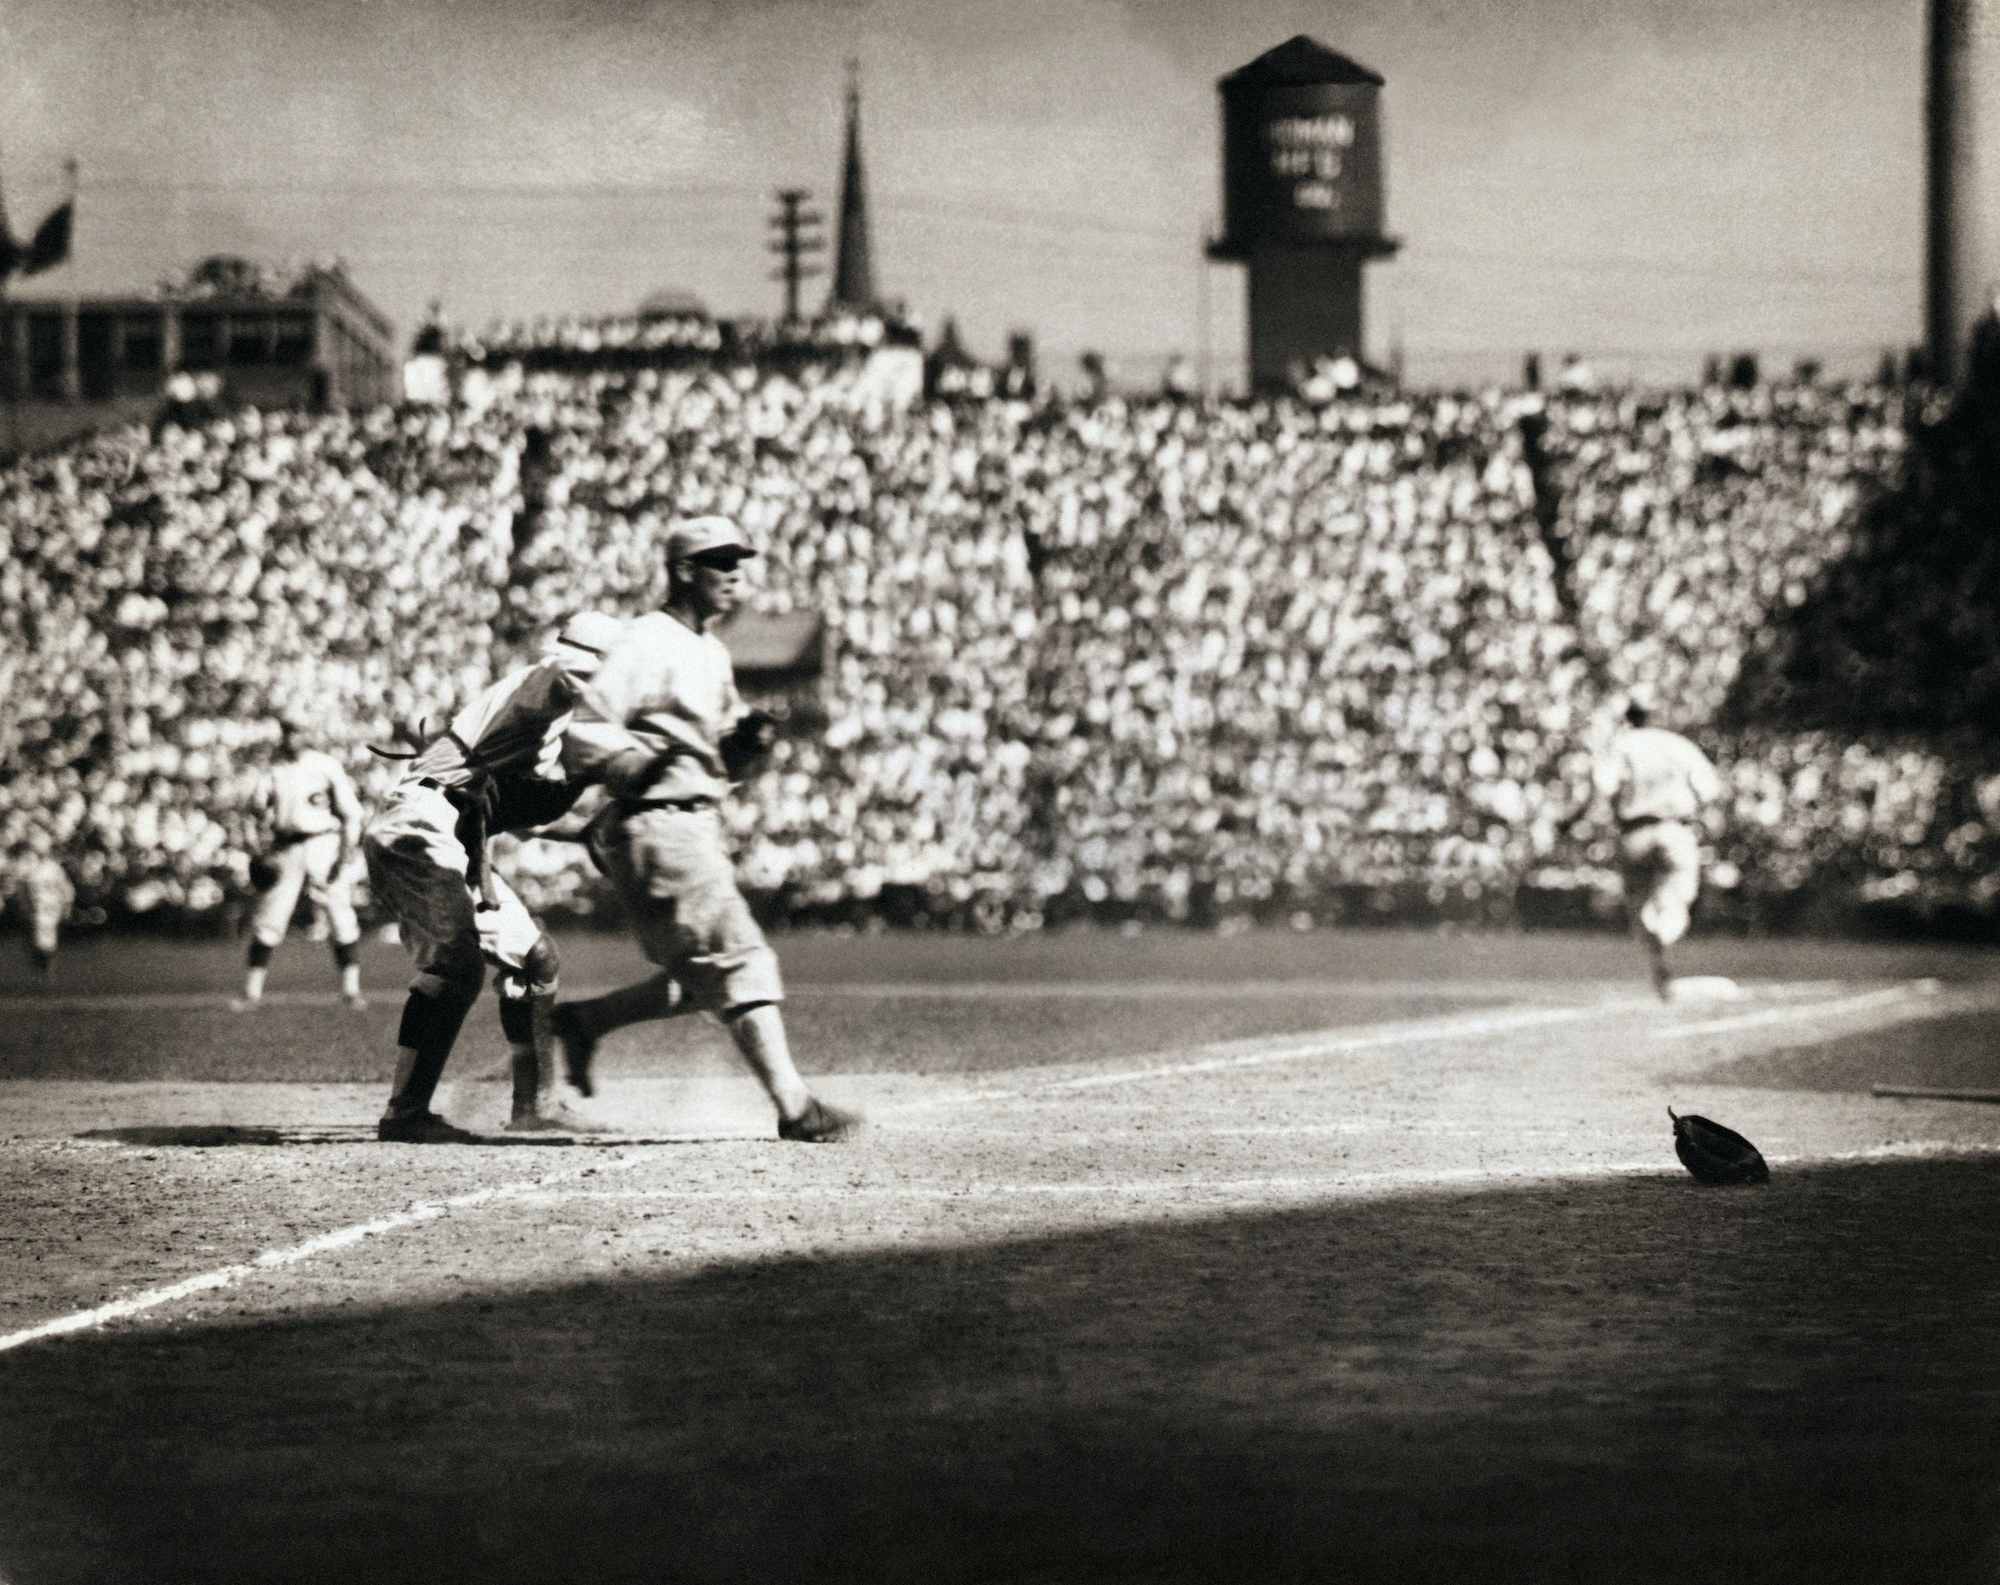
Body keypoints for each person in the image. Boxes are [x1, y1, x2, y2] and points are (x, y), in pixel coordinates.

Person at [555, 516, 858, 1143]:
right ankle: (796, 1107)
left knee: (703, 977)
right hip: (655, 820)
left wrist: (745, 744)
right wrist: (636, 761)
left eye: (739, 561)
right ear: (684, 570)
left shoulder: (713, 650)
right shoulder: (646, 639)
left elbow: (719, 756)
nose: (736, 574)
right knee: (741, 957)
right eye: (721, 561)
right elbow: (586, 728)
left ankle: (586, 1023)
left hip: (691, 822)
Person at [365, 611, 628, 1143]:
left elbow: (505, 810)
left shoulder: (538, 724)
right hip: (420, 824)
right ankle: (404, 1113)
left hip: (446, 829)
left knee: (537, 960)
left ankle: (535, 1104)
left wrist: (578, 834)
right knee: (457, 963)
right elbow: (558, 678)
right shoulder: (546, 686)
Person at [1593, 699, 1723, 1000]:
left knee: (1639, 904)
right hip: (1675, 828)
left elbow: (1605, 786)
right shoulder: (1679, 744)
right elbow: (1710, 789)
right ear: (1657, 715)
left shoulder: (1620, 744)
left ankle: (1661, 973)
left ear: (1628, 718)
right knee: (1677, 896)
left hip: (1634, 832)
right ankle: (1663, 930)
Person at [237, 720, 367, 1010]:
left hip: (324, 842)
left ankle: (351, 989)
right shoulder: (275, 769)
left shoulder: (326, 765)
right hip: (287, 846)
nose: (291, 737)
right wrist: (255, 847)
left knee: (339, 914)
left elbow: (350, 814)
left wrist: (345, 852)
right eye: (287, 731)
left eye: (296, 731)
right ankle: (251, 992)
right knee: (270, 917)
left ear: (307, 734)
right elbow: (252, 812)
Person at [7, 833, 74, 985]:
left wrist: (66, 906)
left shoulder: (50, 868)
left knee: (43, 941)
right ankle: (43, 972)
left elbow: (66, 890)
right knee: (36, 941)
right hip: (39, 907)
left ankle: (46, 973)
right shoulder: (36, 867)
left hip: (46, 907)